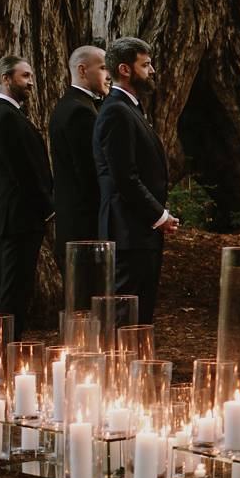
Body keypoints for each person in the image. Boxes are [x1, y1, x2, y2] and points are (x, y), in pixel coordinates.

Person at [93, 37, 176, 325]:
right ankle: (119, 369)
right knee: (125, 315)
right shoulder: (117, 111)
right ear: (126, 70)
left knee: (139, 314)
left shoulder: (130, 108)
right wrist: (159, 215)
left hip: (137, 231)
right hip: (127, 231)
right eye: (146, 64)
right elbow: (124, 177)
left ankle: (132, 368)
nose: (152, 70)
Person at [0, 55, 53, 337]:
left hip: (19, 217)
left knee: (15, 291)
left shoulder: (8, 114)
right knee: (12, 294)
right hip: (18, 216)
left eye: (31, 76)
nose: (31, 82)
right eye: (24, 76)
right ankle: (1, 358)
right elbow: (22, 171)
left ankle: (3, 355)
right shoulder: (4, 117)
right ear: (5, 78)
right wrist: (48, 209)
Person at [49, 45, 108, 260]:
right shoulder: (80, 112)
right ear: (82, 70)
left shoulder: (67, 105)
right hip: (84, 230)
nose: (109, 75)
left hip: (73, 227)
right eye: (103, 68)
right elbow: (90, 174)